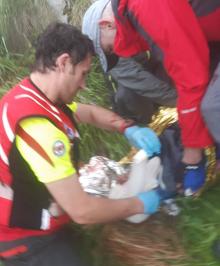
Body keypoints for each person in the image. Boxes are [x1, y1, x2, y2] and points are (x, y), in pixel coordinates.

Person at [0, 22, 163, 266]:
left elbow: (86, 112)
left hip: (44, 209)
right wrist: (139, 204)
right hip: (25, 239)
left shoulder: (34, 95)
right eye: (84, 74)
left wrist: (126, 127)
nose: (85, 84)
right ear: (64, 63)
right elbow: (83, 212)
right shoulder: (39, 129)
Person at [82, 0, 220, 195]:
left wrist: (192, 155)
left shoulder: (146, 6)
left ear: (106, 24)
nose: (119, 51)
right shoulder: (135, 12)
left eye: (110, 48)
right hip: (211, 36)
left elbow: (191, 78)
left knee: (213, 106)